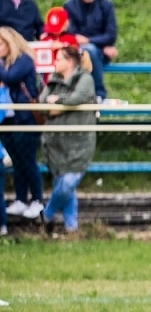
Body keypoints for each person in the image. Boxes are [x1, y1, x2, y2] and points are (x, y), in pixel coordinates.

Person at [39, 43, 96, 234]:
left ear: (69, 61)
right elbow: (42, 103)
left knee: (67, 184)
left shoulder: (85, 79)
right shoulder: (53, 80)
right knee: (64, 187)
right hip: (55, 142)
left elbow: (76, 99)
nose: (55, 62)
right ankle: (72, 229)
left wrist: (58, 103)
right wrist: (56, 105)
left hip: (79, 143)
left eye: (58, 58)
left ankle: (46, 215)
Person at [0, 26, 44, 222]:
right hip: (8, 119)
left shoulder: (24, 59)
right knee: (17, 162)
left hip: (25, 118)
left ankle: (37, 199)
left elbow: (10, 77)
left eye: (1, 44)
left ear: (11, 43)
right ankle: (20, 199)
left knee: (28, 160)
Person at [62, 0, 118, 101]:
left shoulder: (106, 5)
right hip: (77, 53)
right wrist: (101, 45)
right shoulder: (69, 6)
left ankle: (98, 94)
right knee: (89, 50)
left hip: (100, 54)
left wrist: (90, 41)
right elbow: (72, 35)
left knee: (91, 49)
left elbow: (111, 35)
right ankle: (97, 93)